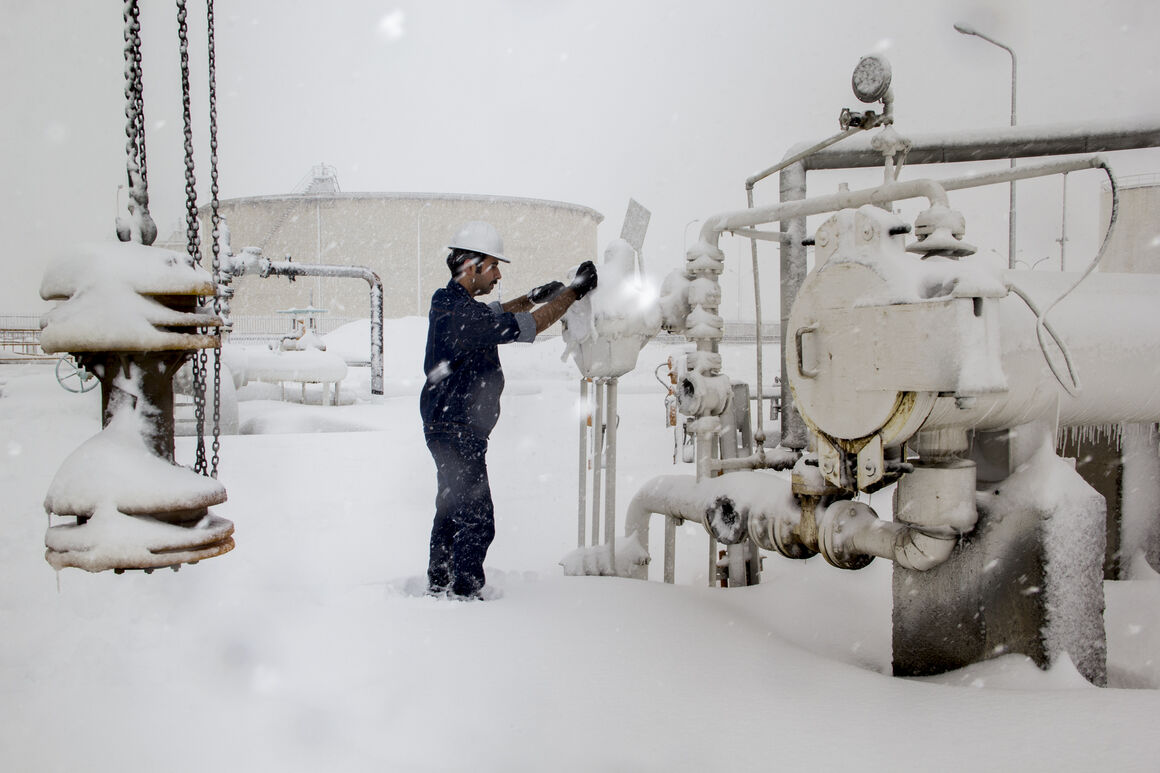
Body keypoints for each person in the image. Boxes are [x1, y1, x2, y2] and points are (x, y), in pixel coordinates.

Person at [420, 221, 597, 600]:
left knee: (451, 509)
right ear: (473, 266)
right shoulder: (464, 317)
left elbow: (496, 313)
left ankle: (440, 585)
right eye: (494, 266)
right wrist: (573, 294)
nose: (498, 274)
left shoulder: (450, 303)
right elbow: (528, 326)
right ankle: (465, 594)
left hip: (446, 424)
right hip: (457, 428)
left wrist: (533, 295)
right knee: (477, 519)